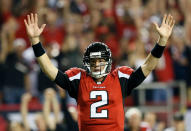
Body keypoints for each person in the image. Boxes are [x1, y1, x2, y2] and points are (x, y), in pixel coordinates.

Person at [24, 13, 175, 131]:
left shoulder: (119, 77)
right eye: (93, 61)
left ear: (108, 62)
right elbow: (50, 71)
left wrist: (161, 42)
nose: (97, 65)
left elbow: (148, 66)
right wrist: (35, 42)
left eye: (100, 61)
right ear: (86, 63)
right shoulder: (79, 79)